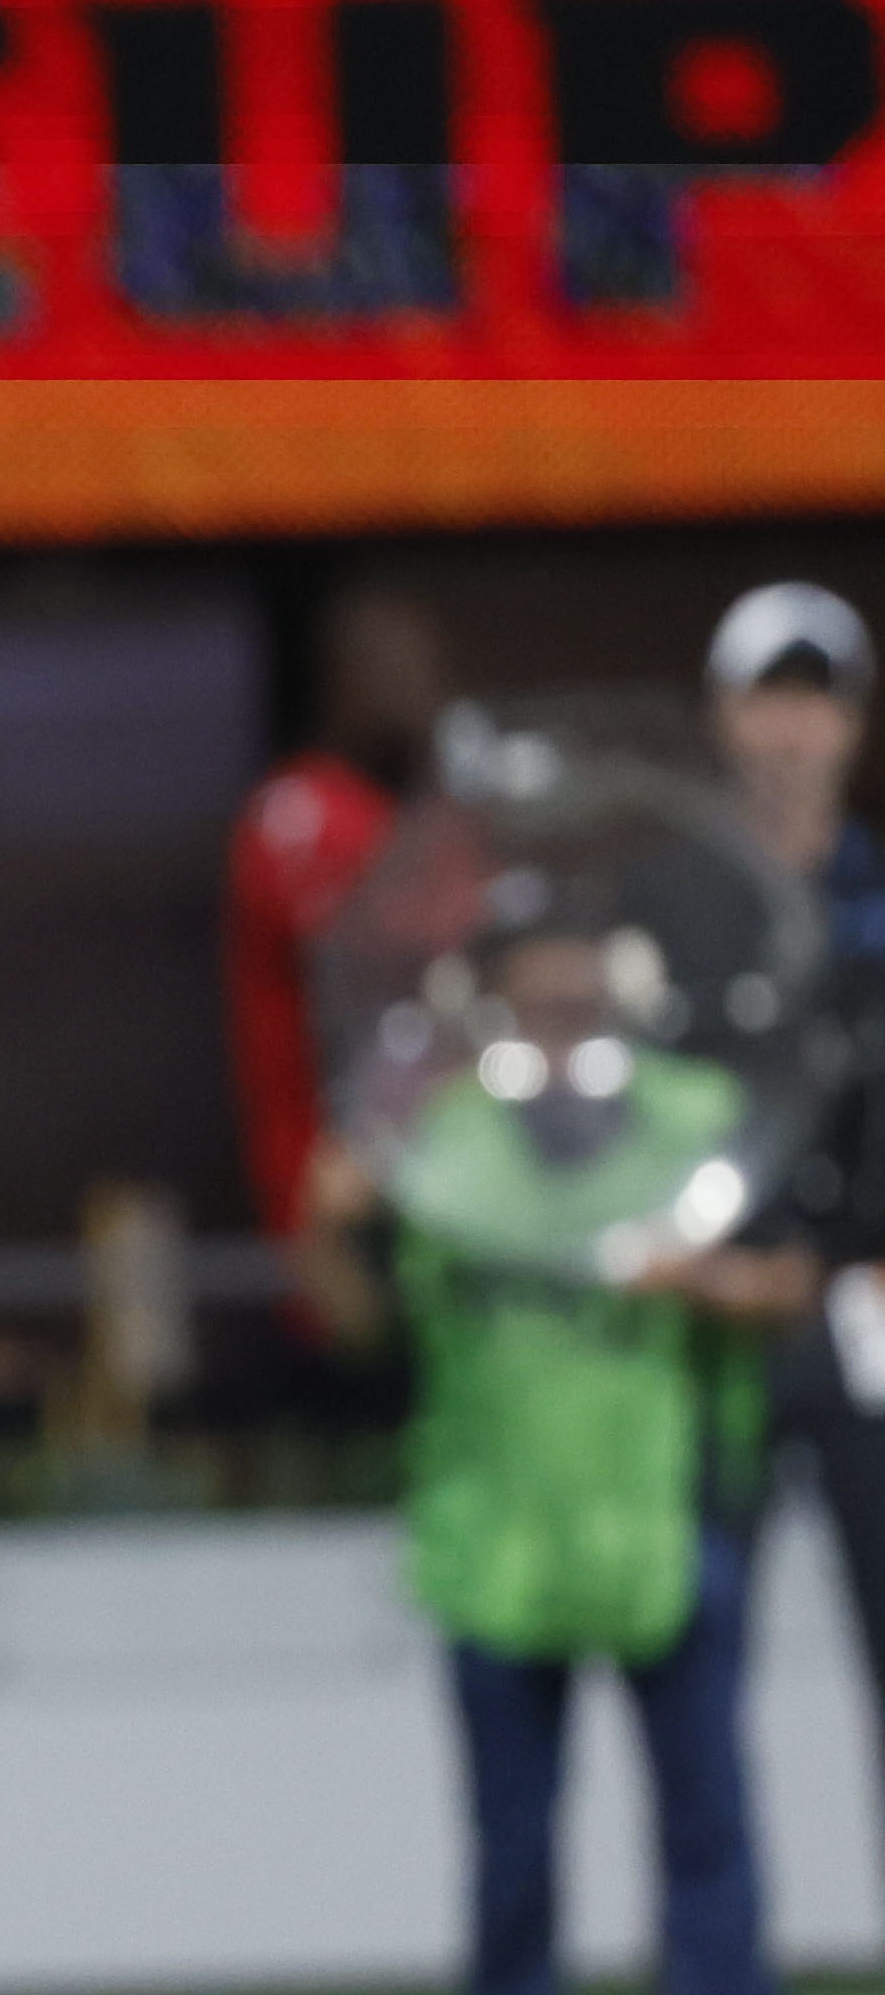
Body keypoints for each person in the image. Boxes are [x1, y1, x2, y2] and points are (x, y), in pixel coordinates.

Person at [303, 918, 805, 1995]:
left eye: (586, 1001)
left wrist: (711, 1283)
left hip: (665, 1516)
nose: (565, 1023)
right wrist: (322, 1229)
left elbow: (787, 1286)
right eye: (541, 1003)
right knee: (512, 1853)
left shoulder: (696, 1117)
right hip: (496, 1528)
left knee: (706, 1825)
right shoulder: (440, 1137)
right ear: (495, 1008)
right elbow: (362, 1329)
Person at [697, 580, 885, 1925]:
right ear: (721, 717)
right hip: (718, 1320)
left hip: (871, 1314)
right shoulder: (671, 898)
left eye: (812, 699)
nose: (787, 730)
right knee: (697, 1675)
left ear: (850, 722)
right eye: (766, 696)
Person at [226, 589, 449, 1253]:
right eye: (390, 673)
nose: (414, 696)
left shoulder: (408, 817)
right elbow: (372, 949)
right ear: (342, 684)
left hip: (421, 1165)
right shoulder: (302, 807)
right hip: (325, 1166)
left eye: (422, 672)